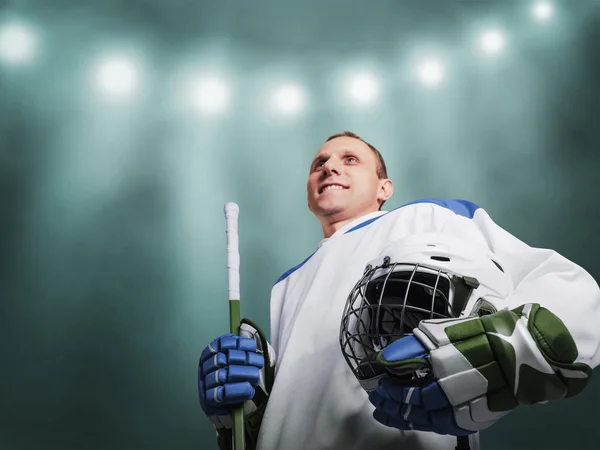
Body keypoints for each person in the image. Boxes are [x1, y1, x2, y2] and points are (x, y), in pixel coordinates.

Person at [198, 131, 600, 450]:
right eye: (319, 164)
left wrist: (513, 349)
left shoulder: (429, 217)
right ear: (309, 195)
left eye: (349, 160)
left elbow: (567, 286)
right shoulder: (284, 286)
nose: (329, 168)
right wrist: (243, 414)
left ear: (383, 188)